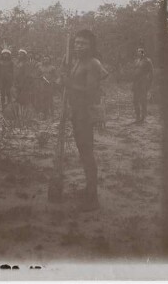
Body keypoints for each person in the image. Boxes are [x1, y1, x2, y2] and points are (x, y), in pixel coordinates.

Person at [61, 29, 106, 211]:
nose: (79, 46)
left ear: (91, 46)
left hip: (86, 114)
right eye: (77, 43)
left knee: (87, 152)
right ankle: (89, 189)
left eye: (83, 43)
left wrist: (68, 83)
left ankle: (93, 198)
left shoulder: (93, 64)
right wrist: (64, 78)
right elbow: (71, 85)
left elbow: (91, 91)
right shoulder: (77, 62)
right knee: (83, 150)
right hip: (76, 112)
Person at [132, 47, 154, 123]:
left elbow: (151, 72)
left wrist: (149, 84)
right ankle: (137, 116)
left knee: (143, 100)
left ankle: (143, 117)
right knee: (135, 100)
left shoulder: (147, 61)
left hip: (143, 82)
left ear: (143, 53)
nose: (138, 53)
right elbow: (134, 71)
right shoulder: (136, 61)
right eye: (137, 51)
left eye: (140, 52)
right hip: (136, 83)